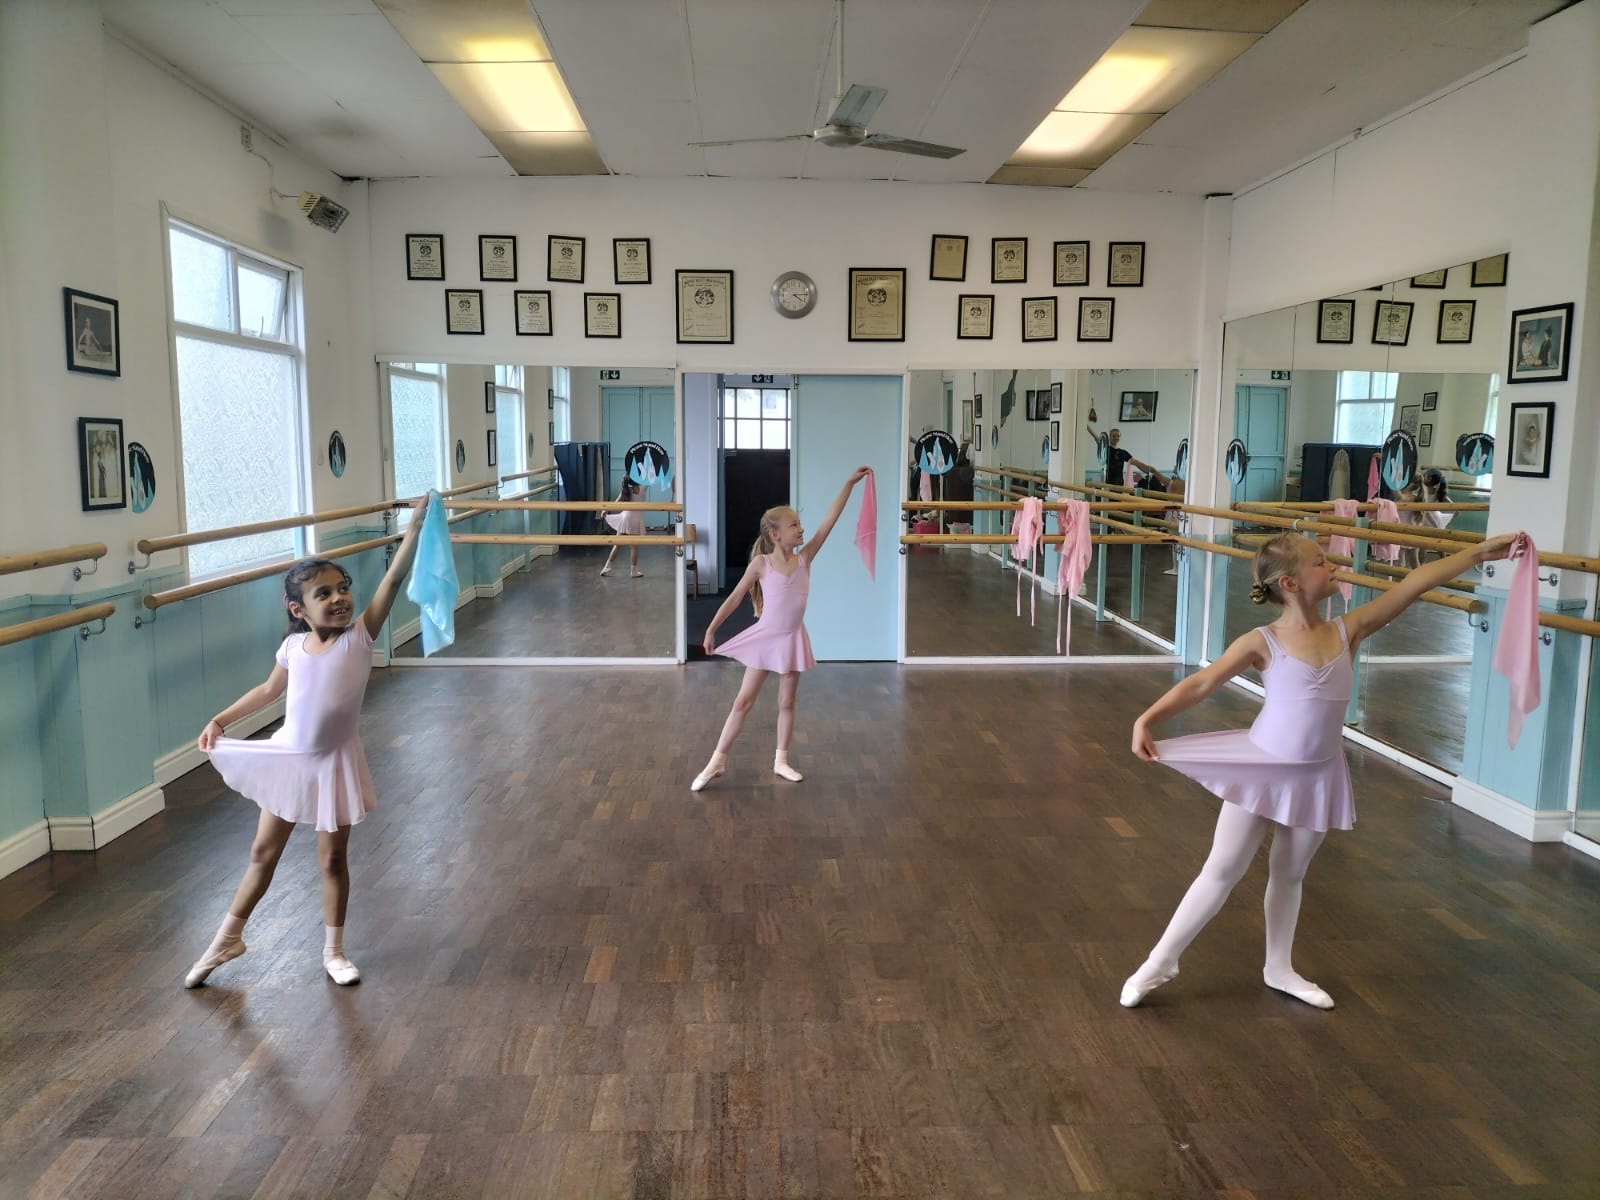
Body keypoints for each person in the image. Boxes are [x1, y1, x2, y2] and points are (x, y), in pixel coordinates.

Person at [1119, 528, 1518, 1011]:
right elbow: (1203, 683)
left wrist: (1476, 551)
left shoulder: (1349, 629)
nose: (1333, 566)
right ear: (1289, 583)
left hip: (1318, 773)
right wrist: (1147, 718)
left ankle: (1279, 968)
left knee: (1289, 874)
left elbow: (1415, 582)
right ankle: (1159, 963)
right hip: (1262, 767)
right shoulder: (1262, 640)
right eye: (1320, 562)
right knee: (1222, 869)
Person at [183, 496, 431, 989]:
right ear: (298, 608)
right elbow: (268, 690)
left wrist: (415, 526)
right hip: (288, 759)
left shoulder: (359, 638)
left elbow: (393, 580)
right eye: (324, 593)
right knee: (261, 853)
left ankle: (334, 951)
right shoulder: (294, 646)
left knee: (332, 860)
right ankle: (226, 939)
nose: (339, 598)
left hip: (334, 765)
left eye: (343, 589)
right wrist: (220, 718)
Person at [691, 467, 872, 791]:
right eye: (794, 526)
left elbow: (830, 521)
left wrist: (848, 484)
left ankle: (781, 760)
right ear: (775, 535)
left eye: (800, 525)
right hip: (766, 638)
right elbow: (734, 599)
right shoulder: (761, 564)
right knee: (742, 702)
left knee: (787, 703)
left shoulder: (805, 558)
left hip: (792, 639)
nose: (801, 529)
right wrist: (710, 630)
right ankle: (717, 760)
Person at [598, 478, 645, 577]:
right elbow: (649, 480)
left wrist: (605, 511)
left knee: (617, 544)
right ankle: (634, 571)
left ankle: (607, 567)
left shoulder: (625, 491)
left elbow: (615, 504)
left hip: (624, 518)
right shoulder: (642, 488)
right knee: (634, 547)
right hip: (635, 519)